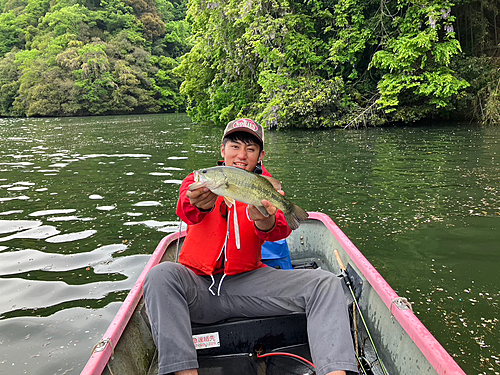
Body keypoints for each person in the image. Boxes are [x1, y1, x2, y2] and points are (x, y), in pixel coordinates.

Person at [143, 118, 358, 375]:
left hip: (248, 286)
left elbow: (279, 228)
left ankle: (335, 371)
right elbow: (186, 208)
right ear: (222, 150)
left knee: (327, 284)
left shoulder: (264, 185)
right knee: (160, 275)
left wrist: (266, 222)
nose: (241, 155)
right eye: (235, 146)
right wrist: (198, 203)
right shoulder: (200, 179)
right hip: (198, 288)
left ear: (260, 156)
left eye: (251, 149)